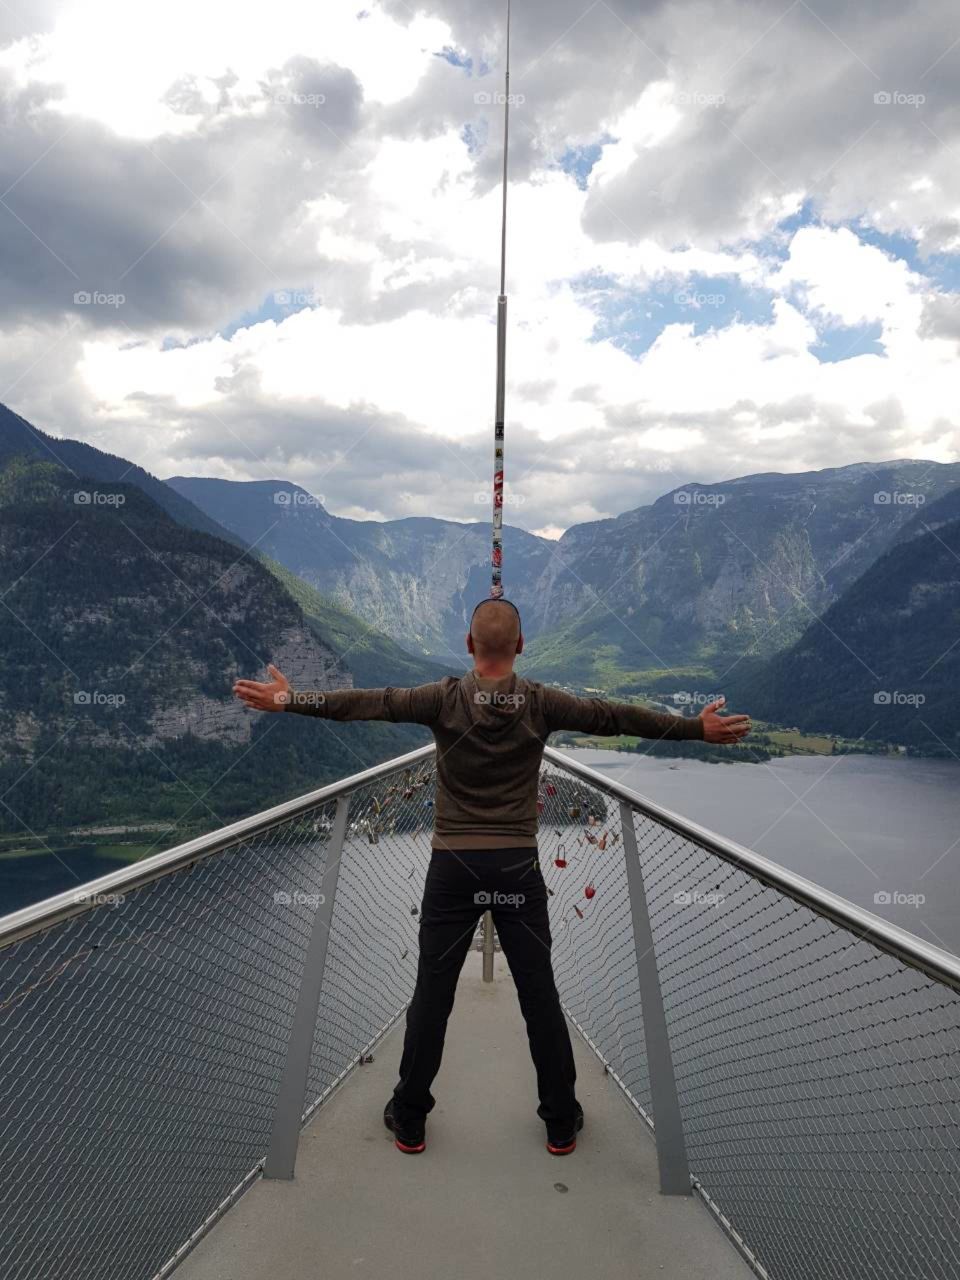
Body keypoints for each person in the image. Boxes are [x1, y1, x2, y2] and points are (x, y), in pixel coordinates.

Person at [233, 599, 751, 1156]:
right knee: (539, 995)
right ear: (521, 646)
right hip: (516, 867)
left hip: (453, 867)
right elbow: (616, 717)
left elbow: (368, 704)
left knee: (433, 994)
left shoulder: (441, 698)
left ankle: (409, 1117)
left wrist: (291, 700)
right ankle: (559, 1121)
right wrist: (695, 728)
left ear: (468, 645)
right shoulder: (542, 703)